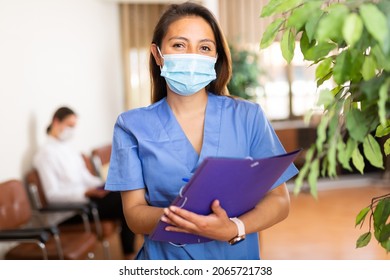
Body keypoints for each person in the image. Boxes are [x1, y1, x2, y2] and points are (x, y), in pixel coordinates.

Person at [105, 2, 298, 260]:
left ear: (215, 57)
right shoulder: (131, 126)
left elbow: (279, 201)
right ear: (158, 54)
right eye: (179, 45)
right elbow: (134, 214)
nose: (192, 56)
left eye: (204, 47)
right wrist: (189, 220)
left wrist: (234, 227)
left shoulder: (248, 117)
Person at [33, 106, 135, 259]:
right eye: (70, 126)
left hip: (87, 200)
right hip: (70, 212)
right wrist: (84, 192)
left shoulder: (69, 149)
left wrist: (104, 184)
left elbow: (85, 177)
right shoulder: (44, 155)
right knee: (124, 203)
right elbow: (52, 195)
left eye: (74, 126)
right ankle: (130, 255)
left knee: (127, 191)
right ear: (56, 122)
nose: (72, 130)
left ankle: (132, 252)